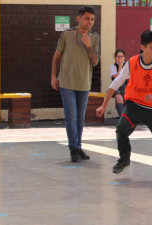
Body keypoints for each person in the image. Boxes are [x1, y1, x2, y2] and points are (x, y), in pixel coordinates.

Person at [95, 30, 152, 178]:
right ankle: (124, 160)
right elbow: (116, 82)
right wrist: (104, 105)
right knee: (121, 129)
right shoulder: (132, 63)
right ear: (143, 47)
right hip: (135, 106)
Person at [50, 5, 100, 162]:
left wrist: (89, 46)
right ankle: (73, 148)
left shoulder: (95, 38)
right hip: (66, 82)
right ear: (79, 18)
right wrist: (53, 76)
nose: (89, 22)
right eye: (87, 18)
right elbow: (56, 56)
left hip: (84, 83)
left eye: (92, 19)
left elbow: (95, 62)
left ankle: (77, 146)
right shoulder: (67, 34)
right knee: (71, 116)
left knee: (80, 117)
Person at [110, 49, 128, 116]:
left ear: (124, 57)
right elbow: (117, 78)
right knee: (119, 98)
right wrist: (120, 66)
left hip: (126, 86)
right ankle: (122, 118)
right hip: (116, 86)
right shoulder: (113, 67)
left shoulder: (127, 66)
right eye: (118, 56)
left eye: (121, 56)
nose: (120, 58)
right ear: (115, 58)